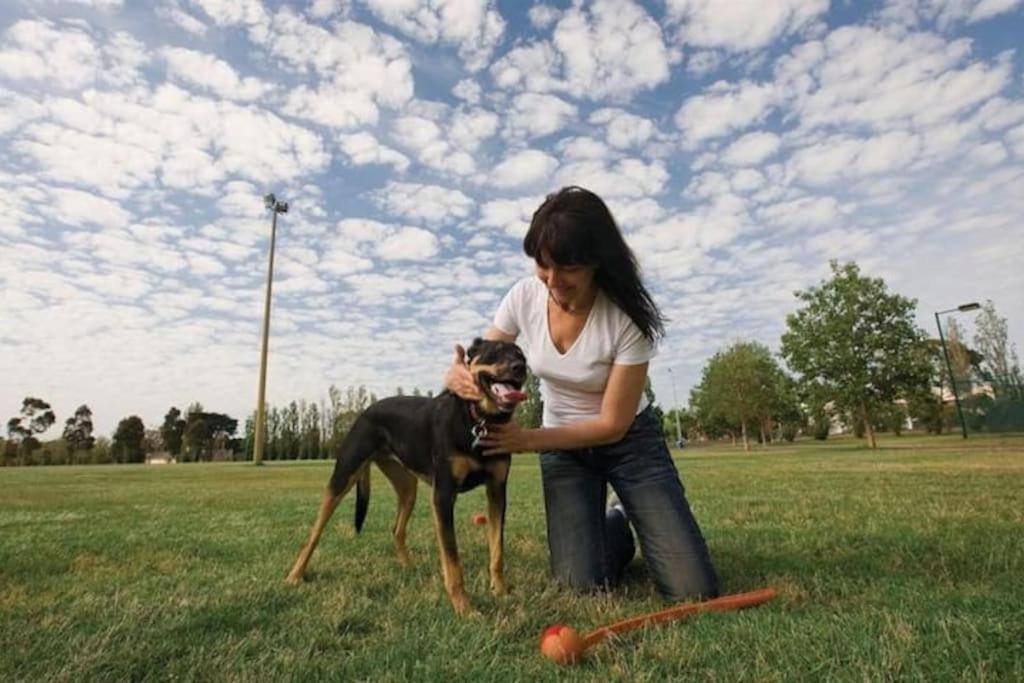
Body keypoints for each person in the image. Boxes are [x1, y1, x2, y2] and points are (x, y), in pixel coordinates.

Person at [445, 186, 718, 603]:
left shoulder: (627, 320)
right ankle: (616, 524)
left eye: (566, 268)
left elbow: (612, 424)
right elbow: (484, 355)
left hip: (630, 444)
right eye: (542, 265)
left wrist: (526, 440)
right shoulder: (524, 296)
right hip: (566, 451)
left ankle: (635, 510)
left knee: (692, 590)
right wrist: (459, 374)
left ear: (595, 262)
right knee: (581, 585)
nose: (552, 281)